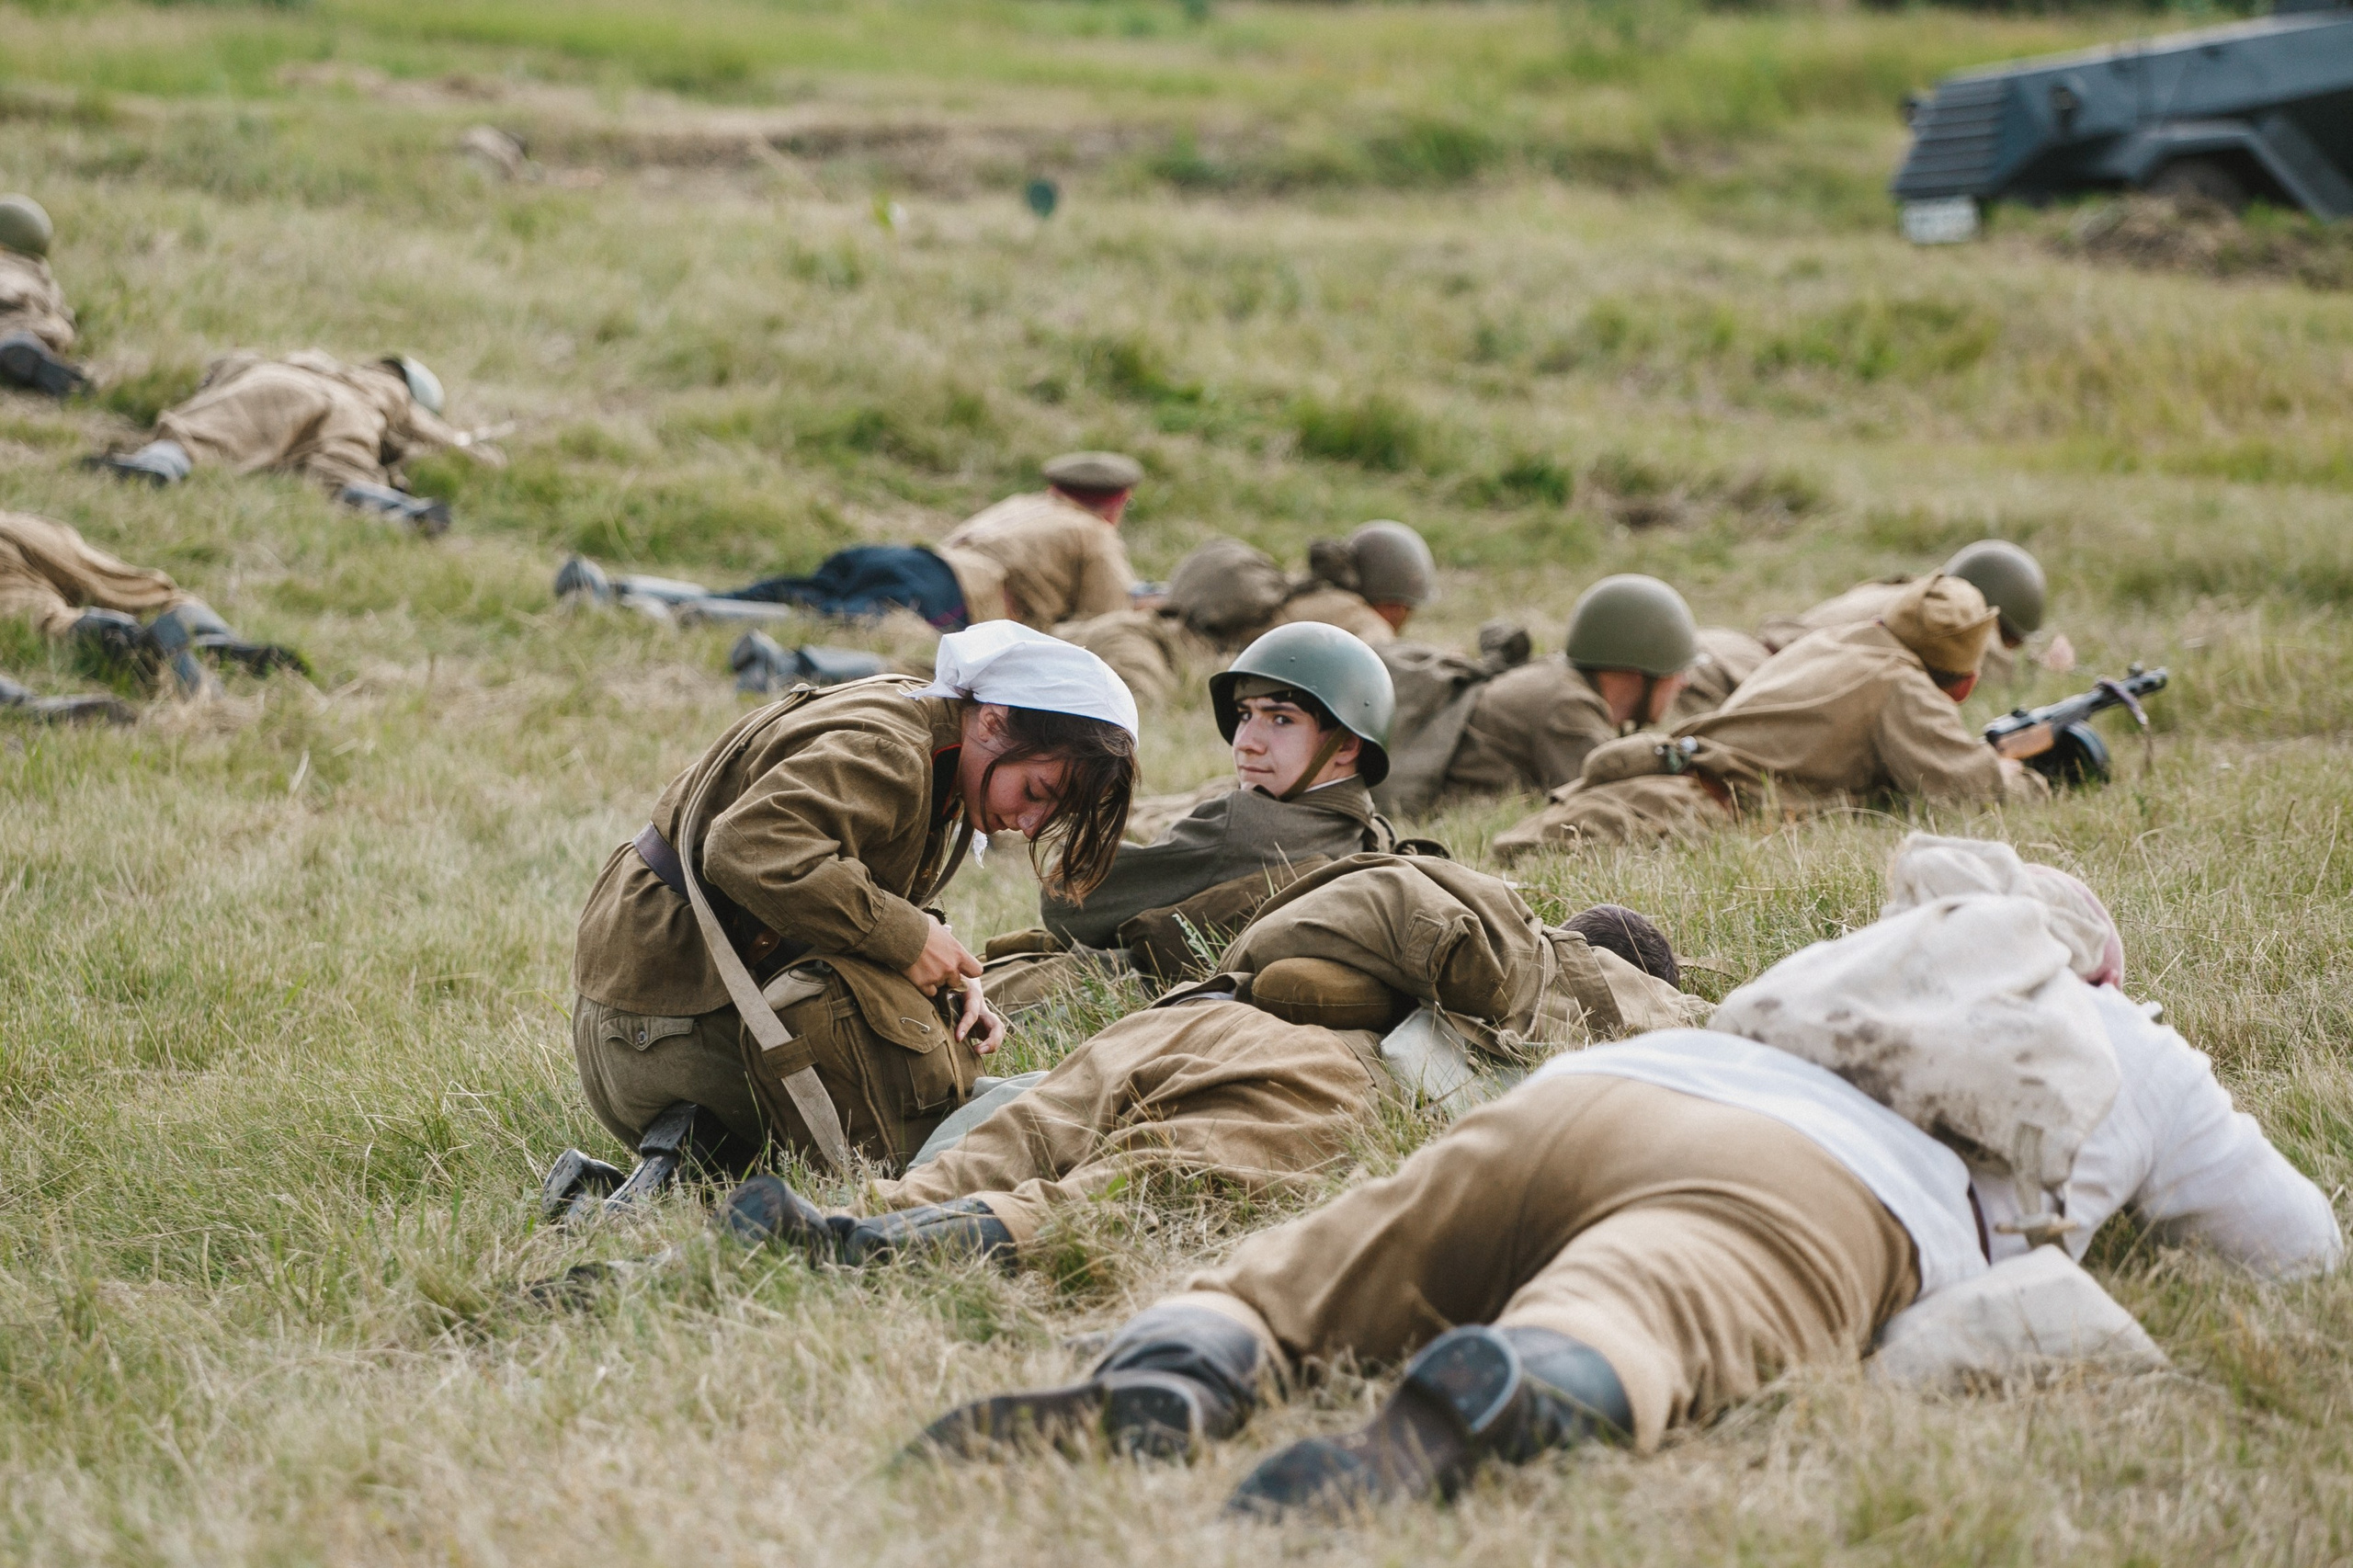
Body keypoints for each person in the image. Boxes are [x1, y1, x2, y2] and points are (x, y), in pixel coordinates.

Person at [909, 852, 2337, 1519]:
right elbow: (2298, 1252)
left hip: (1601, 1098)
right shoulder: (2135, 1043)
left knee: (1327, 1265)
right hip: (1814, 1190)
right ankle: (1509, 1379)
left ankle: (1184, 1361)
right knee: (1642, 1309)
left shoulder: (1850, 960)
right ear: (2101, 971)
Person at [716, 857, 1694, 1268]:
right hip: (1322, 1072)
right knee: (1142, 1188)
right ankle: (887, 1248)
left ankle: (852, 1219)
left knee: (1024, 1135)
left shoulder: (1408, 904)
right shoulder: (1590, 993)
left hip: (1184, 1018)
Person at [544, 623, 1141, 1221]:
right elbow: (747, 847)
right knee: (935, 1128)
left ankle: (692, 1159)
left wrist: (945, 963)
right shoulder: (893, 751)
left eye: (1054, 812)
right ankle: (673, 1173)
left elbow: (845, 876)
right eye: (1036, 790)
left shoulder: (925, 726)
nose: (1031, 824)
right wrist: (908, 939)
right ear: (993, 720)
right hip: (663, 1026)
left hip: (648, 1017)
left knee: (962, 1080)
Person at [1492, 574, 2049, 859]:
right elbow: (1969, 793)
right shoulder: (1902, 685)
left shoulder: (1830, 642)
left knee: (1520, 846)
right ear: (1965, 681)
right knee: (1531, 857)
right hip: (1705, 804)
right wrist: (2025, 777)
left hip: (1674, 770)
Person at [552, 452, 1146, 632]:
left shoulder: (1024, 504)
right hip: (955, 595)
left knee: (788, 592)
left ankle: (622, 588)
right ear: (1117, 504)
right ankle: (680, 616)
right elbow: (1110, 624)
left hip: (907, 556)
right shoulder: (1094, 534)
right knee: (825, 622)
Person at [88, 350, 491, 533]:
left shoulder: (308, 360)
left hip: (280, 383)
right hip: (354, 417)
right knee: (344, 473)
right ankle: (398, 511)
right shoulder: (393, 394)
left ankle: (158, 464)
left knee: (208, 430)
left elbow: (225, 367)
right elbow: (447, 443)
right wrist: (477, 450)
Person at [1058, 522, 1436, 706]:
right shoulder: (1364, 621)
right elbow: (1386, 674)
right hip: (1150, 657)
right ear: (1397, 605)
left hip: (1128, 631)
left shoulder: (1310, 590)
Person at [0, 510, 305, 709]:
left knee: (40, 616)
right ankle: (199, 630)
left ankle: (129, 642)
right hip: (24, 529)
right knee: (144, 591)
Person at [1759, 540, 2051, 680]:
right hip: (1774, 673)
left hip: (1761, 654)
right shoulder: (1948, 619)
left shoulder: (1905, 593)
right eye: (2011, 641)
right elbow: (2003, 676)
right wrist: (2048, 667)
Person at [0, 195, 88, 398]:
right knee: (18, 327)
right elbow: (63, 315)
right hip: (37, 323)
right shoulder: (42, 276)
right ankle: (26, 347)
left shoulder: (6, 267)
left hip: (9, 299)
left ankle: (16, 347)